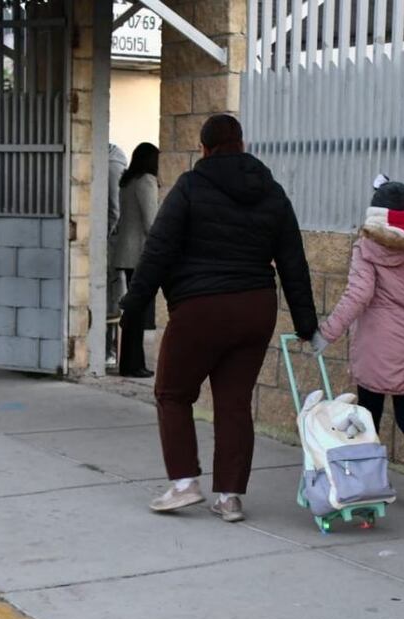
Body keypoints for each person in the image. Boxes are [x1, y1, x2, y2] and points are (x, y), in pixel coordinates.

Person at [121, 115, 317, 522]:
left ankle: (183, 483)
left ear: (204, 148)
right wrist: (306, 323)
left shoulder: (192, 186)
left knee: (173, 394)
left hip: (200, 308)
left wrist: (134, 304)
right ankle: (229, 497)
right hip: (254, 308)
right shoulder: (272, 191)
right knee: (234, 403)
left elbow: (158, 248)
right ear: (242, 145)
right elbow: (293, 262)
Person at [312, 175, 404, 514]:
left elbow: (357, 295)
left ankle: (365, 484)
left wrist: (327, 333)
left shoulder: (366, 249)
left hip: (376, 345)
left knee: (369, 414)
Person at [112, 142, 160, 378]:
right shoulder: (147, 182)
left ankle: (129, 363)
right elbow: (152, 222)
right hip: (140, 254)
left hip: (126, 252)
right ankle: (134, 364)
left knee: (133, 310)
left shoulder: (128, 181)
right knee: (138, 312)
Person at [106, 143, 129, 365]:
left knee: (111, 298)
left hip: (109, 244)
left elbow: (114, 209)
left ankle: (109, 350)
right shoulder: (115, 160)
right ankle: (109, 349)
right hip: (111, 241)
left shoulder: (112, 162)